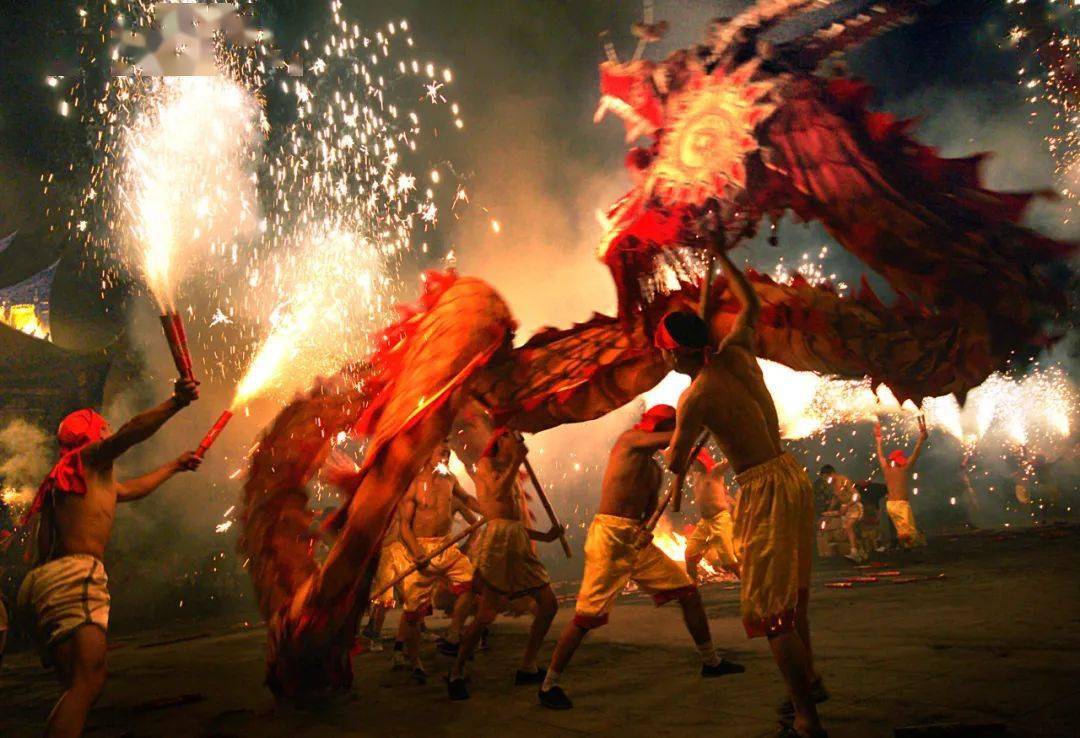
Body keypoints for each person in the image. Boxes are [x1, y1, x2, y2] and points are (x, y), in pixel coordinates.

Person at [655, 248, 826, 738]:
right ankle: (809, 683)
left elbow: (675, 461)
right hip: (790, 475)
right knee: (792, 600)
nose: (662, 357)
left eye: (664, 351)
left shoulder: (694, 398)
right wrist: (721, 255)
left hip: (763, 487)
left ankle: (806, 720)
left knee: (771, 614)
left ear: (676, 354)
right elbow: (749, 303)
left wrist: (668, 443)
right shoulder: (737, 350)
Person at [17, 380, 200, 738]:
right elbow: (130, 433)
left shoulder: (75, 475)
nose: (109, 430)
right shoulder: (87, 459)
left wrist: (175, 466)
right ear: (92, 435)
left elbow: (131, 489)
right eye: (104, 428)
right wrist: (176, 402)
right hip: (73, 578)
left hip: (42, 584)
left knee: (76, 685)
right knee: (89, 682)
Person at [538, 406, 744, 710]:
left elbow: (648, 510)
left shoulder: (654, 471)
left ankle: (711, 661)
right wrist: (700, 421)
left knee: (688, 593)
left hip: (636, 541)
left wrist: (645, 529)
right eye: (660, 429)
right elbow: (674, 438)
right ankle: (549, 685)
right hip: (609, 537)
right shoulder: (629, 441)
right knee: (586, 617)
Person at [447, 430, 563, 700]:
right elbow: (497, 497)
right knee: (487, 613)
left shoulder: (511, 473)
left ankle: (528, 666)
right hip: (497, 542)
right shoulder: (486, 466)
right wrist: (517, 462)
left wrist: (545, 536)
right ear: (500, 440)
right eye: (514, 436)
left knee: (549, 605)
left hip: (517, 539)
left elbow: (514, 521)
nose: (520, 441)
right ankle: (456, 671)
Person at [398, 442, 482, 682]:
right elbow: (404, 526)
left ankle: (453, 634)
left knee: (472, 582)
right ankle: (415, 661)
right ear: (428, 454)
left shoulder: (450, 479)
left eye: (448, 452)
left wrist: (490, 508)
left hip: (446, 546)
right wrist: (417, 552)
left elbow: (468, 500)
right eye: (442, 452)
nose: (446, 456)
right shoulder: (414, 483)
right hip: (420, 549)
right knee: (413, 612)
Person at [684, 449, 739, 581]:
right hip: (704, 522)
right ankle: (692, 586)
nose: (693, 464)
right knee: (689, 555)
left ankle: (747, 584)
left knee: (728, 560)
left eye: (695, 461)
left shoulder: (715, 471)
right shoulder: (695, 475)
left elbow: (729, 462)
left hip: (720, 519)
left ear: (701, 461)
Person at [875, 417, 928, 548]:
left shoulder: (886, 469)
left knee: (904, 532)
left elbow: (880, 456)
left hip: (890, 505)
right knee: (910, 533)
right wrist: (921, 439)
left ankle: (908, 546)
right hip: (901, 505)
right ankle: (915, 543)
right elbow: (915, 453)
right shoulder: (904, 469)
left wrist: (878, 441)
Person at [818, 465, 865, 562]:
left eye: (826, 477)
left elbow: (857, 495)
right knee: (845, 531)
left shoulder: (844, 480)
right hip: (845, 509)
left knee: (848, 526)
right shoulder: (832, 484)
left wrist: (848, 505)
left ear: (832, 473)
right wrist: (829, 510)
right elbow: (836, 497)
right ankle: (860, 552)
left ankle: (854, 552)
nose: (826, 480)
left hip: (854, 507)